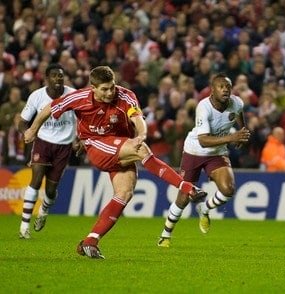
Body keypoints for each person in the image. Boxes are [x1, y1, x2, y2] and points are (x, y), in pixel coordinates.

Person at [23, 66, 206, 259]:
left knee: (124, 194)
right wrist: (33, 130)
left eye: (112, 87)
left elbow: (137, 118)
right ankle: (187, 187)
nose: (110, 92)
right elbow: (49, 109)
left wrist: (141, 134)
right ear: (93, 88)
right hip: (96, 145)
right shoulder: (79, 98)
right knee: (141, 151)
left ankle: (90, 242)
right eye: (104, 89)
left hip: (121, 146)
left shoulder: (126, 96)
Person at [158, 73, 250, 248]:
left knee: (228, 189)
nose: (225, 89)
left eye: (228, 87)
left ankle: (204, 208)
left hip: (217, 152)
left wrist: (242, 131)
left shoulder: (237, 102)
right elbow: (203, 140)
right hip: (195, 151)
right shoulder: (204, 107)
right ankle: (165, 234)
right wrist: (232, 138)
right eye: (221, 86)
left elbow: (238, 114)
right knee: (184, 197)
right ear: (212, 90)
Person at [17, 64, 77, 239]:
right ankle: (24, 227)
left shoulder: (73, 94)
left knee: (51, 191)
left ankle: (44, 210)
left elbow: (83, 117)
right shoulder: (37, 96)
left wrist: (80, 138)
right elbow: (22, 121)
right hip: (43, 142)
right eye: (55, 76)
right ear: (47, 79)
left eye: (61, 75)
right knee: (35, 180)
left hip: (64, 146)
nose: (59, 78)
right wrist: (26, 132)